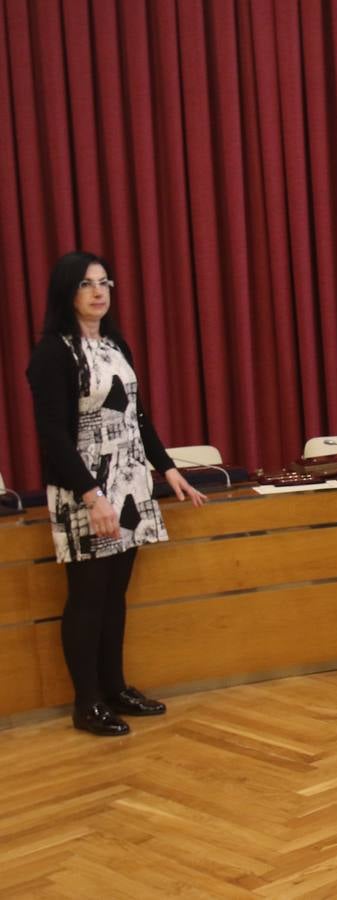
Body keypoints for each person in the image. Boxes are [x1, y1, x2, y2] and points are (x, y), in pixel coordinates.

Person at [26, 251, 207, 737]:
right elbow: (53, 437)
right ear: (68, 291)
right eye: (87, 284)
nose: (99, 291)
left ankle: (115, 688)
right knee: (87, 599)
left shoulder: (114, 344)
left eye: (105, 282)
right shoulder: (53, 353)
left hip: (129, 483)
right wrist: (91, 495)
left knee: (115, 597)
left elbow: (138, 418)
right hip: (84, 490)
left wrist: (167, 469)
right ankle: (87, 703)